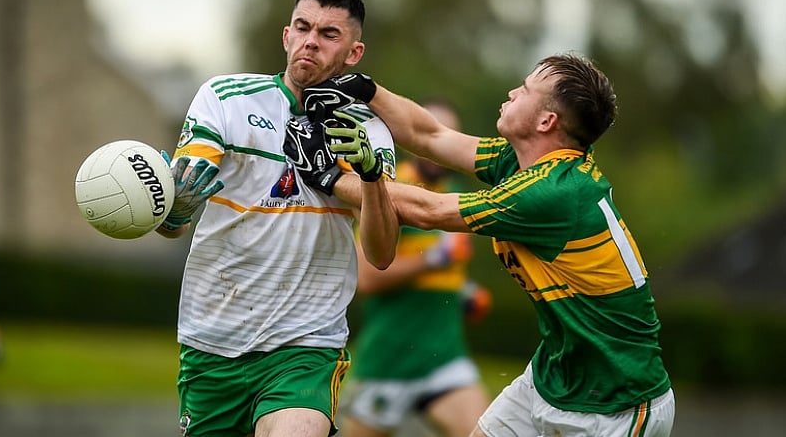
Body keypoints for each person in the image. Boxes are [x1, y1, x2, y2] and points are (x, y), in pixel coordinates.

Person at [289, 53, 676, 436]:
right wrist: (367, 90)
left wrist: (329, 178)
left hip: (617, 403)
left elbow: (429, 210)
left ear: (546, 121)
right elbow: (431, 135)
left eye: (524, 89)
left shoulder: (551, 192)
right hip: (552, 377)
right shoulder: (524, 161)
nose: (511, 92)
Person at [155, 0, 399, 436]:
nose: (311, 41)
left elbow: (381, 254)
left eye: (329, 34)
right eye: (303, 28)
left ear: (353, 52)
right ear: (287, 35)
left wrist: (370, 178)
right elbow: (175, 223)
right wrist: (175, 214)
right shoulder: (224, 99)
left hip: (305, 346)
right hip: (212, 342)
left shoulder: (367, 128)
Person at [340, 101, 492, 437]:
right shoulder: (387, 187)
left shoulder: (455, 194)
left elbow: (443, 273)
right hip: (387, 361)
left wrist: (463, 293)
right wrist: (434, 258)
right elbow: (366, 277)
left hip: (444, 357)